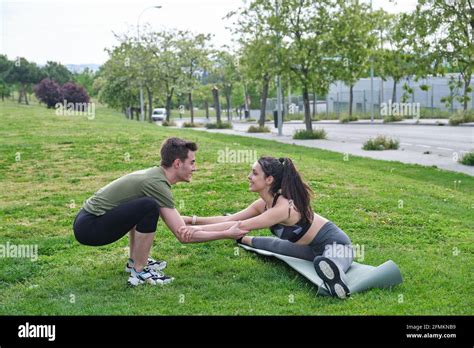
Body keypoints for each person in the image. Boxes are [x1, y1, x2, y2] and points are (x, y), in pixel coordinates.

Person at [73, 137, 248, 287]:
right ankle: (140, 271)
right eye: (192, 162)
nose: (195, 168)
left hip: (87, 222)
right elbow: (183, 234)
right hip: (91, 228)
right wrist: (226, 233)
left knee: (145, 206)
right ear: (177, 163)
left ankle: (135, 261)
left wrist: (227, 224)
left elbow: (178, 222)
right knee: (148, 206)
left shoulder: (155, 176)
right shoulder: (157, 184)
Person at [181, 156, 354, 299]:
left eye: (254, 173)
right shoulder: (263, 204)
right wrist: (192, 220)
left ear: (269, 179)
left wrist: (197, 233)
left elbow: (239, 225)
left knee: (333, 259)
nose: (249, 176)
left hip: (336, 244)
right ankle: (243, 240)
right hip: (310, 249)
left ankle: (337, 281)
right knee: (273, 245)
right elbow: (231, 218)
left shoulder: (282, 208)